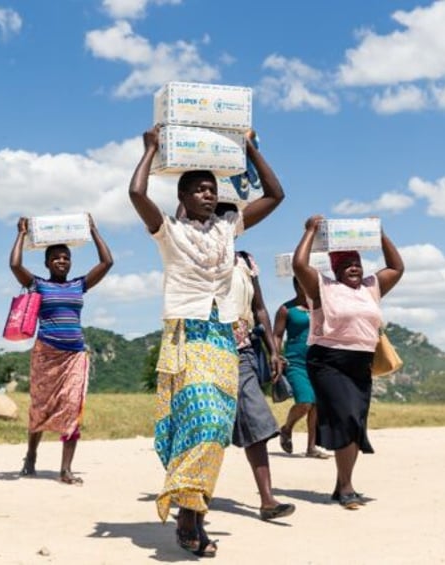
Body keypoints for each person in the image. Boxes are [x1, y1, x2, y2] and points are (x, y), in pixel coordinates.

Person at [129, 125, 284, 557]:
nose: (208, 195)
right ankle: (188, 516)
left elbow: (275, 195)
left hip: (222, 335)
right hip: (186, 333)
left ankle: (192, 510)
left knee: (215, 428)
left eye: (212, 189)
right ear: (182, 197)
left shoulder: (227, 229)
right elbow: (137, 195)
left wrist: (251, 148)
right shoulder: (169, 231)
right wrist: (151, 150)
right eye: (198, 189)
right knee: (197, 420)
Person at [292, 215, 404, 510]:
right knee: (347, 417)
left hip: (360, 363)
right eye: (345, 265)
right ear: (335, 270)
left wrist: (380, 234)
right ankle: (346, 488)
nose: (353, 268)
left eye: (356, 263)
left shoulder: (371, 287)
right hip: (328, 362)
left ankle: (342, 483)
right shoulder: (322, 288)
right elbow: (299, 266)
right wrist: (310, 231)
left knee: (355, 423)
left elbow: (397, 267)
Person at [10, 214, 113, 484]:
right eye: (55, 257)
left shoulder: (79, 284)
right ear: (46, 263)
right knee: (39, 407)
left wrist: (93, 230)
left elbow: (107, 262)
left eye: (66, 257)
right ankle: (31, 456)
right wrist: (21, 234)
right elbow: (15, 264)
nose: (61, 261)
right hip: (46, 355)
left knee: (72, 408)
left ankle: (66, 470)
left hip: (74, 355)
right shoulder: (38, 285)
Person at [226, 245, 296, 521]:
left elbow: (259, 309)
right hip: (204, 349)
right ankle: (189, 500)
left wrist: (273, 350)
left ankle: (267, 501)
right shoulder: (195, 250)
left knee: (255, 417)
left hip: (242, 351)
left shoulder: (245, 260)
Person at [272, 277, 330, 459]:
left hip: (319, 361)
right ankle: (287, 428)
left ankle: (311, 448)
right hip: (295, 362)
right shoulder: (286, 309)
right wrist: (276, 355)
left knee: (316, 406)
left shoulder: (321, 308)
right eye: (305, 284)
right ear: (297, 286)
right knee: (305, 402)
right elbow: (277, 334)